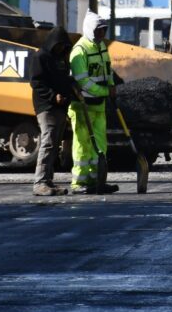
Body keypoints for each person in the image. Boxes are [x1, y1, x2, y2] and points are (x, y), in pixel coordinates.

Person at [68, 11, 118, 195]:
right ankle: (79, 182)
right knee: (83, 145)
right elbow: (84, 82)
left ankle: (97, 179)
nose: (102, 34)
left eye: (104, 30)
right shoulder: (80, 50)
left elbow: (107, 70)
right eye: (99, 30)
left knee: (99, 144)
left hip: (99, 104)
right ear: (90, 29)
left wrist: (111, 86)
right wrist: (106, 91)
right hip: (82, 106)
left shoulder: (101, 47)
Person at [29, 26, 74, 196]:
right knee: (48, 143)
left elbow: (64, 79)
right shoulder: (41, 57)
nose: (61, 48)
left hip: (60, 107)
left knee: (54, 145)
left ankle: (47, 181)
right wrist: (53, 96)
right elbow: (36, 82)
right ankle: (40, 182)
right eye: (59, 45)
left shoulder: (61, 59)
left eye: (64, 46)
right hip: (46, 107)